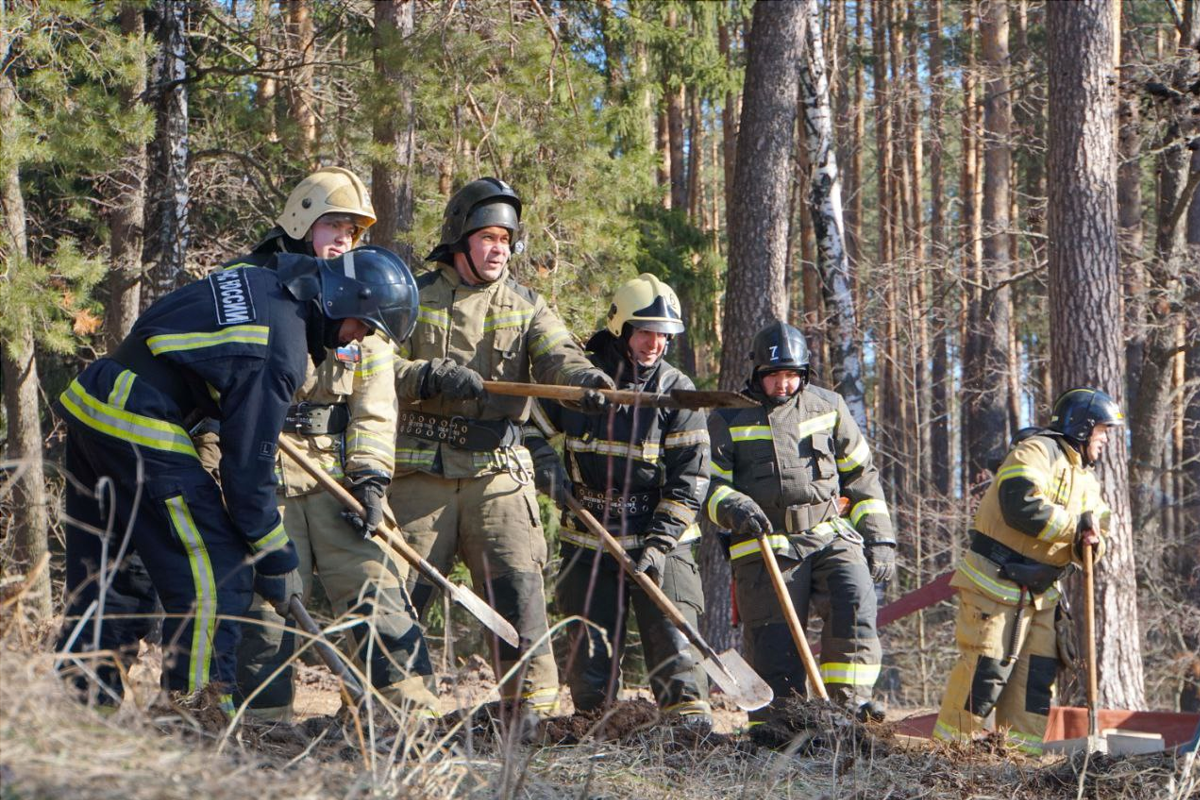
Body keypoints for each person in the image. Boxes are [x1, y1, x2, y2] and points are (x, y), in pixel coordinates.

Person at [54, 241, 418, 714]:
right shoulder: (279, 347)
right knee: (218, 569)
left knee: (109, 569)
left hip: (96, 402)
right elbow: (247, 474)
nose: (353, 340)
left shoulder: (262, 281)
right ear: (345, 299)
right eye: (362, 325)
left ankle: (83, 711)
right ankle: (197, 717)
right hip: (137, 419)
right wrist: (276, 557)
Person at [386, 177, 614, 719]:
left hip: (498, 477)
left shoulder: (527, 305)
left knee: (520, 593)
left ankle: (529, 717)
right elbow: (373, 365)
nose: (498, 249)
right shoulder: (410, 297)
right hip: (419, 473)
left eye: (507, 240)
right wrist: (425, 376)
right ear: (460, 238)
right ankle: (391, 713)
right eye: (488, 236)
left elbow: (559, 355)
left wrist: (586, 382)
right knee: (396, 598)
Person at [228, 168, 439, 720]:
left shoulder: (362, 295)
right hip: (264, 472)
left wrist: (370, 480)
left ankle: (410, 718)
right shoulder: (248, 285)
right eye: (332, 225)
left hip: (335, 476)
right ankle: (258, 728)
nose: (344, 238)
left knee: (377, 582)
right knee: (265, 604)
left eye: (352, 230)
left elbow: (374, 406)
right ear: (301, 222)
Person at [526, 274, 712, 726]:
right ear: (622, 329)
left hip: (661, 541)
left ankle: (689, 732)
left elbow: (691, 480)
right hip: (589, 539)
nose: (655, 343)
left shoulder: (678, 393)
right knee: (589, 655)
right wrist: (545, 469)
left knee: (675, 641)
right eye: (645, 332)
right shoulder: (582, 383)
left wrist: (658, 545)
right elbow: (528, 428)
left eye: (663, 335)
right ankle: (596, 727)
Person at [705, 320, 896, 725]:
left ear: (804, 374)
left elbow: (862, 476)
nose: (783, 385)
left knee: (854, 601)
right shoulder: (728, 416)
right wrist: (734, 507)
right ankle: (780, 725)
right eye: (774, 376)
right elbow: (708, 485)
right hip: (764, 544)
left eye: (792, 376)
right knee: (774, 641)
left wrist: (881, 540)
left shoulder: (829, 407)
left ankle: (850, 712)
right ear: (757, 373)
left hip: (829, 534)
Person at [934, 388, 1122, 754]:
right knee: (984, 675)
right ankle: (946, 761)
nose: (1105, 439)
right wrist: (1076, 529)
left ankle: (1018, 768)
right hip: (995, 583)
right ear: (1083, 428)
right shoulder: (1037, 451)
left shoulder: (1087, 478)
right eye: (1102, 430)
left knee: (1035, 685)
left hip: (1042, 596)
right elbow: (1020, 503)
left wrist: (1093, 542)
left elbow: (1098, 534)